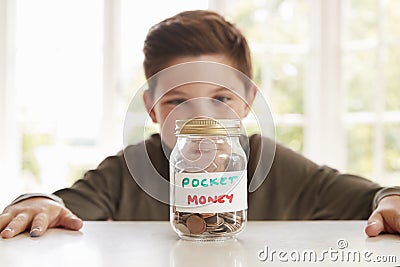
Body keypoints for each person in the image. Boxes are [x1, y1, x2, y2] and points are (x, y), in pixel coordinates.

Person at [1, 10, 399, 239]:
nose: (201, 118)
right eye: (177, 102)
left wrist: (389, 200)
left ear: (246, 103)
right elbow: (58, 205)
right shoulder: (130, 169)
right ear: (153, 109)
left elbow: (375, 196)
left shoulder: (273, 165)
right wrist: (37, 201)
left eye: (221, 99)